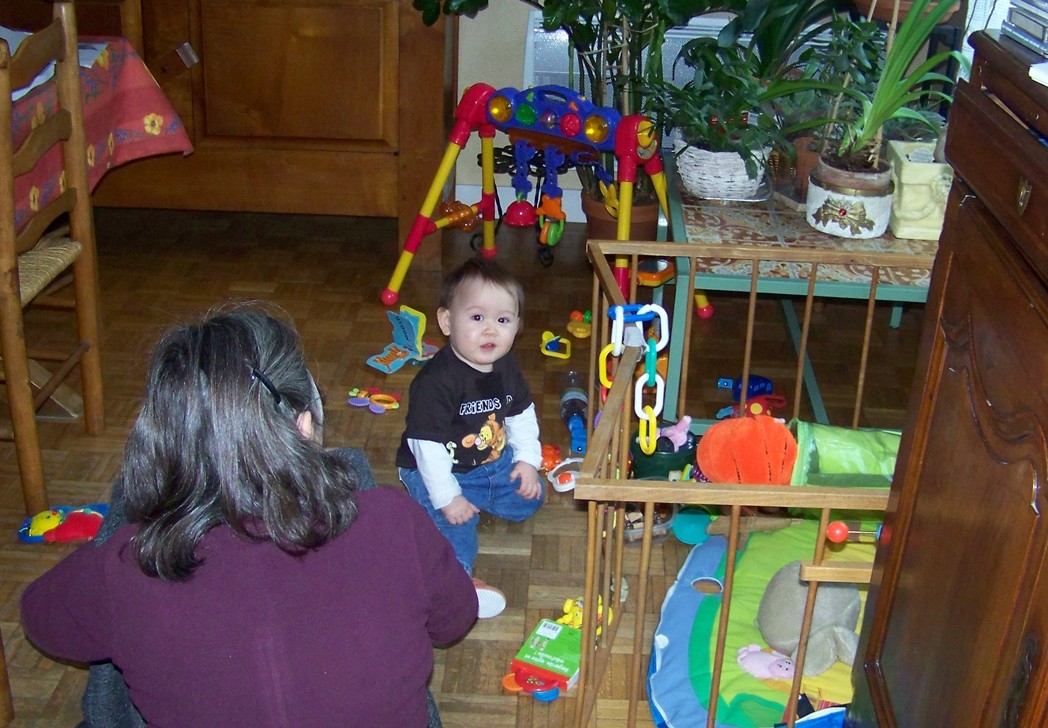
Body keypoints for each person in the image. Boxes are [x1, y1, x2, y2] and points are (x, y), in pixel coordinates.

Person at [21, 304, 477, 727]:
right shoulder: (393, 520)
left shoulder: (130, 564)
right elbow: (454, 619)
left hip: (153, 562)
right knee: (349, 476)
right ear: (304, 425)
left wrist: (128, 527)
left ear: (163, 446)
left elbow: (42, 621)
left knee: (118, 636)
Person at [396, 258, 544, 619]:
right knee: (456, 528)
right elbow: (427, 449)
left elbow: (521, 413)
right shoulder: (436, 383)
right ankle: (458, 583)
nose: (490, 330)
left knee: (531, 497)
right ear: (447, 322)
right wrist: (448, 497)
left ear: (517, 326)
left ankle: (477, 498)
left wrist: (527, 460)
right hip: (435, 472)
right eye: (477, 318)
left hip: (489, 462)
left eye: (503, 320)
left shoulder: (506, 365)